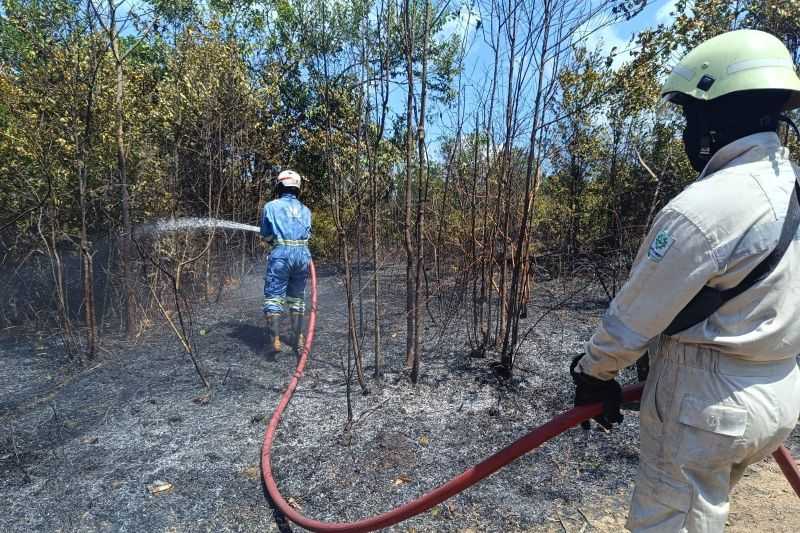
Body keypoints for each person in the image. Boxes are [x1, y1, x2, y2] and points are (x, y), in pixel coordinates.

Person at [569, 29, 800, 532]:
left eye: (692, 115)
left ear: (716, 115)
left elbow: (635, 316)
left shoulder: (707, 207)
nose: (689, 131)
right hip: (777, 395)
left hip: (708, 411)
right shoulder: (791, 188)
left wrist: (595, 374)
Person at [260, 169, 312, 357]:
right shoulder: (306, 210)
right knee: (297, 298)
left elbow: (266, 234)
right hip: (302, 256)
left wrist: (271, 240)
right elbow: (307, 234)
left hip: (281, 254)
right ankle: (297, 338)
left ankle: (275, 340)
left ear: (280, 185)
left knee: (274, 296)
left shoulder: (271, 207)